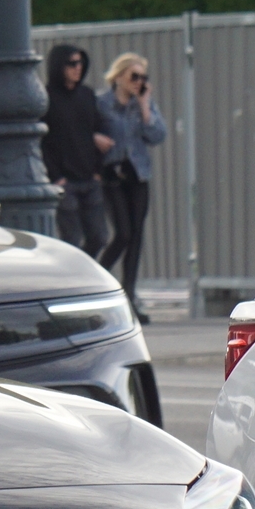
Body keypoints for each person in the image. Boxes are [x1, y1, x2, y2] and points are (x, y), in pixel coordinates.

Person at [96, 52, 168, 321]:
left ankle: (130, 294)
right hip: (113, 175)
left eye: (142, 78)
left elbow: (158, 135)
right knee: (123, 233)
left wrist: (146, 104)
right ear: (118, 77)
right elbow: (84, 129)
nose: (138, 82)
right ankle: (97, 276)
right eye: (133, 76)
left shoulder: (142, 104)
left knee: (136, 234)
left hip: (138, 175)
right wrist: (95, 138)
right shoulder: (102, 104)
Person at [40, 44, 109, 259]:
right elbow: (42, 140)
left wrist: (98, 170)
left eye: (80, 63)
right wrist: (56, 177)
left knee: (99, 237)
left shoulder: (87, 95)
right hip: (64, 182)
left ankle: (82, 274)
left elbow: (97, 130)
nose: (77, 68)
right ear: (59, 66)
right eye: (71, 63)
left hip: (90, 177)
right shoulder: (46, 98)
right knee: (72, 239)